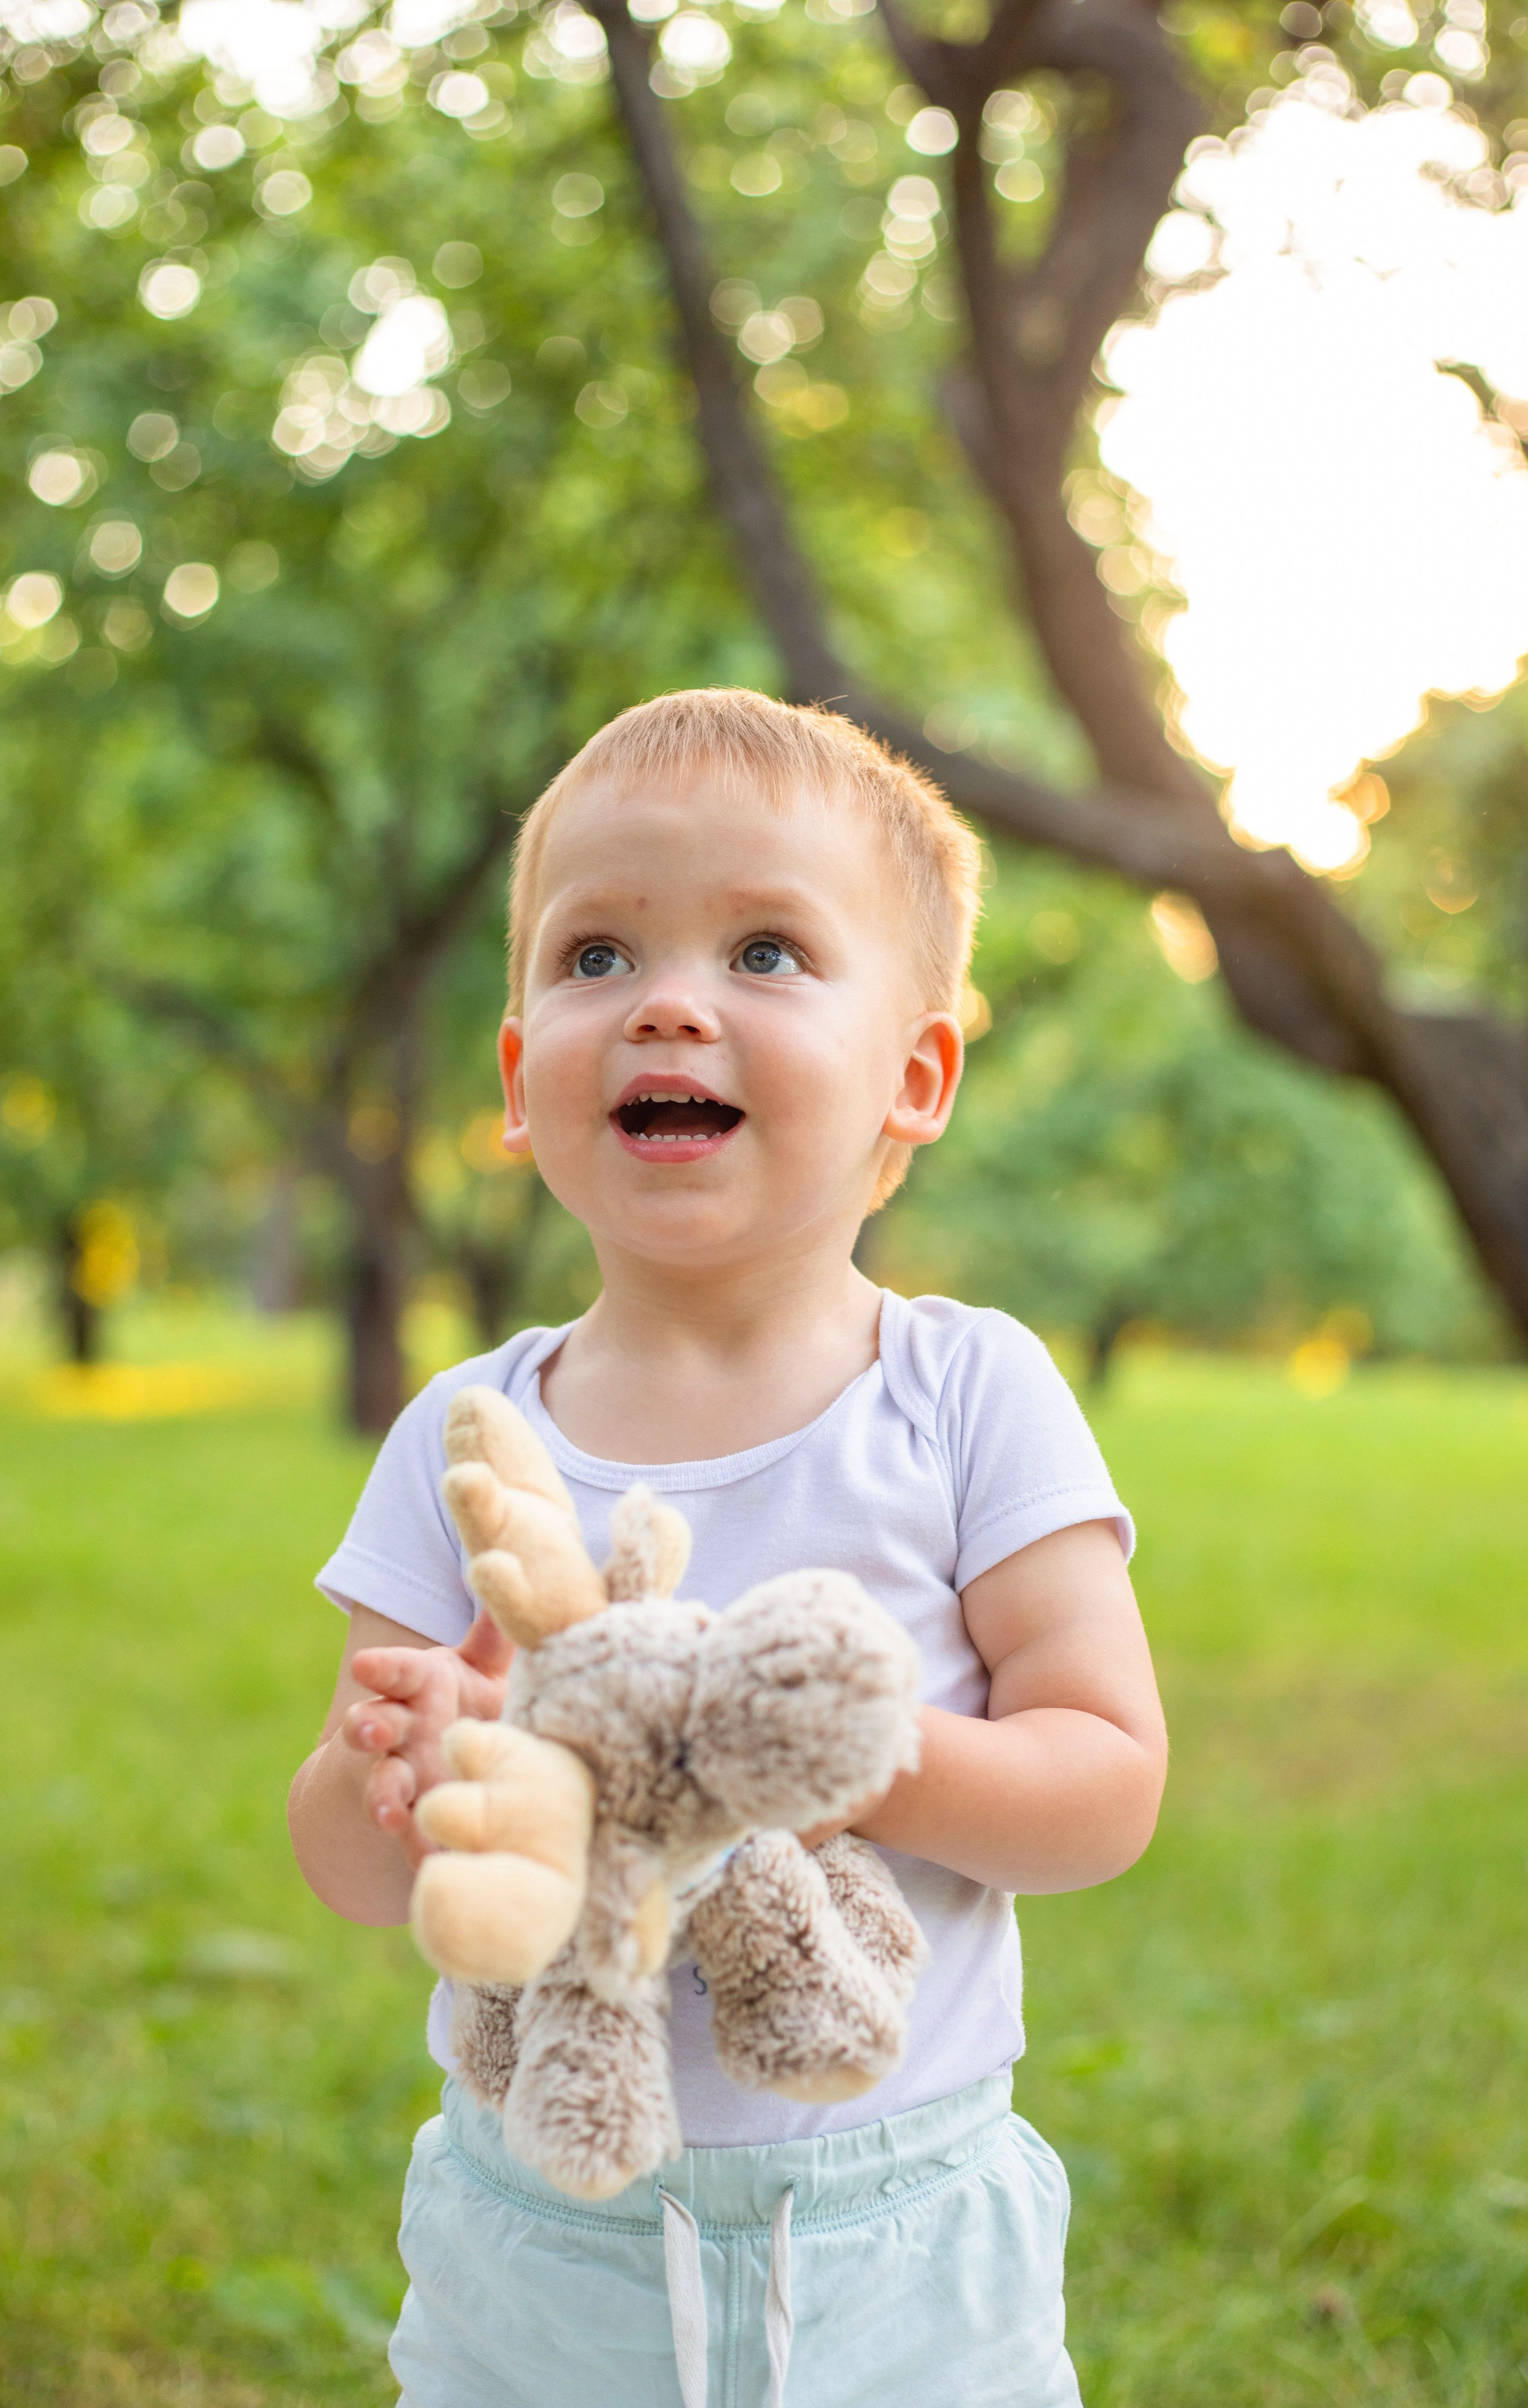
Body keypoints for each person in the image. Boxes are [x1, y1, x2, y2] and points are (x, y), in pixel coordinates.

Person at [288, 687, 1167, 2408]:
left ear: (914, 1079)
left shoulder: (965, 1393)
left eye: (766, 953)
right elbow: (349, 1866)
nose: (668, 1002)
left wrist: (859, 1763)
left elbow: (1109, 1780)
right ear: (521, 1068)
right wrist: (397, 1772)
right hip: (537, 2227)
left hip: (890, 2237)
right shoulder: (474, 1440)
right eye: (596, 954)